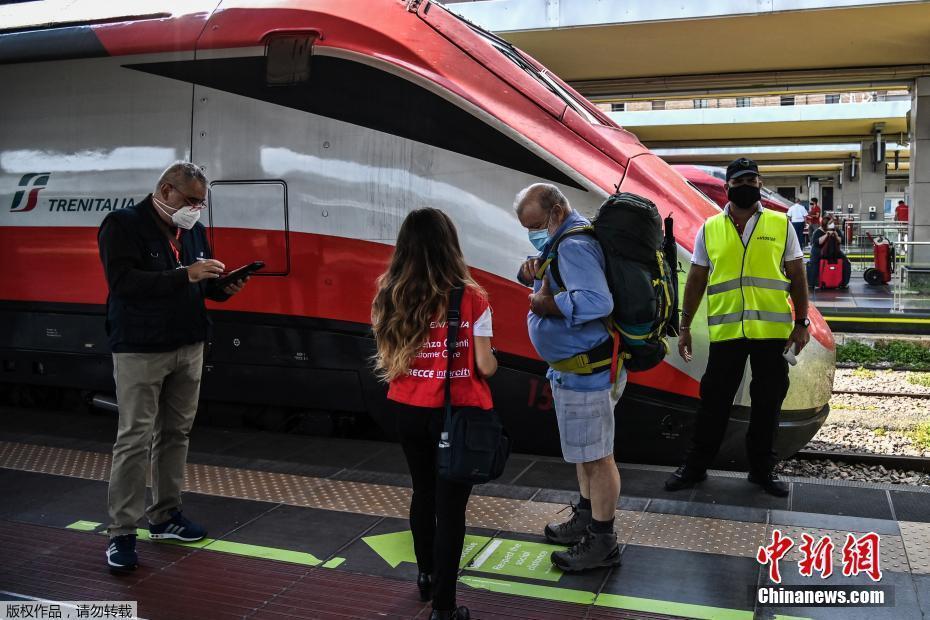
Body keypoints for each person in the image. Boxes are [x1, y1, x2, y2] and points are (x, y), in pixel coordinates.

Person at [98, 162, 248, 572]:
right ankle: (121, 533)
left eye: (201, 202)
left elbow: (196, 283)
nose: (196, 208)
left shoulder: (192, 228)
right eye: (190, 200)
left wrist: (221, 287)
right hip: (141, 348)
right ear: (165, 191)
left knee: (175, 434)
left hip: (189, 343)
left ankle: (165, 516)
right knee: (134, 438)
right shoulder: (122, 224)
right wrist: (186, 274)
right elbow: (124, 283)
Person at [371, 208, 497, 620]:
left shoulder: (390, 292)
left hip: (407, 408)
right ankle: (445, 607)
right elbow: (486, 367)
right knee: (452, 511)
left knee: (422, 493)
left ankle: (424, 576)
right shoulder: (472, 297)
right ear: (451, 245)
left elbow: (390, 354)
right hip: (456, 416)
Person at [665, 158, 810, 498]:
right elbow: (697, 279)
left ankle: (761, 471)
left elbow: (798, 275)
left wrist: (802, 322)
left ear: (760, 185)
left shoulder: (781, 224)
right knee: (713, 402)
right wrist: (684, 325)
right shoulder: (710, 228)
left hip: (772, 334)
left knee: (768, 404)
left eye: (754, 181)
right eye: (741, 181)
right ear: (728, 186)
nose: (748, 186)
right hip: (728, 333)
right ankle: (695, 468)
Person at [515, 183, 625, 572]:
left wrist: (550, 304)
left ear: (557, 212)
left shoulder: (574, 245)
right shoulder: (561, 240)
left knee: (597, 457)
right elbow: (555, 279)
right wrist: (528, 271)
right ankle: (584, 517)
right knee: (584, 454)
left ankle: (603, 539)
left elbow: (599, 301)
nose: (534, 233)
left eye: (536, 225)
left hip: (588, 373)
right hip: (573, 372)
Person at [808, 213, 847, 288]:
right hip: (819, 251)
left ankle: (843, 282)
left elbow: (841, 241)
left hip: (833, 250)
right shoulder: (818, 231)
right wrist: (826, 234)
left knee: (845, 261)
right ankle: (812, 283)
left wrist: (836, 235)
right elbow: (816, 243)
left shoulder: (836, 230)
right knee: (814, 263)